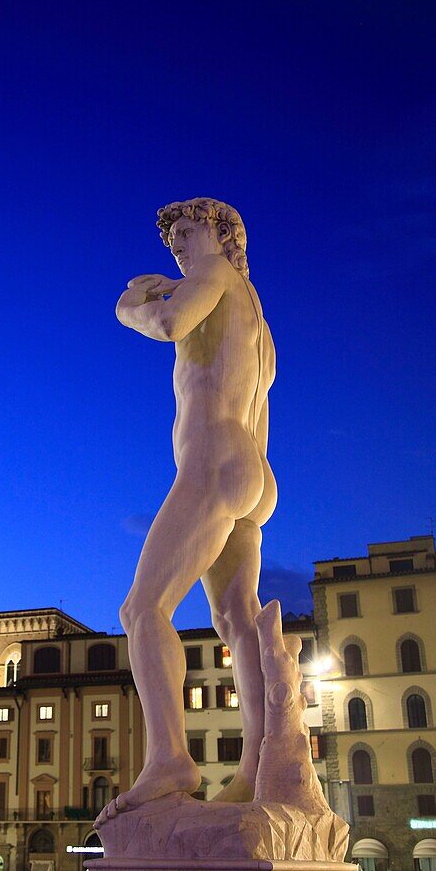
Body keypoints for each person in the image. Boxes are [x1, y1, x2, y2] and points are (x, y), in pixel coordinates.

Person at [100, 197, 277, 822]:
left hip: (209, 462)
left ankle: (170, 757)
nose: (177, 238)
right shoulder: (255, 313)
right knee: (238, 623)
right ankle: (260, 764)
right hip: (251, 467)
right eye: (172, 231)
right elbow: (257, 398)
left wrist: (132, 306)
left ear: (223, 234)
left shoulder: (214, 274)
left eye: (190, 227)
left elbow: (171, 323)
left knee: (142, 608)